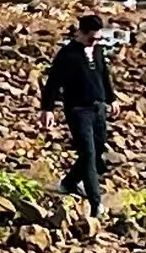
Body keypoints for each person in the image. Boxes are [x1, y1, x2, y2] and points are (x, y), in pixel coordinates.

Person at [40, 13, 119, 219]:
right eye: (91, 39)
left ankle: (68, 183)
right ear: (80, 33)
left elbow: (104, 75)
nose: (95, 42)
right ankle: (96, 203)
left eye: (98, 38)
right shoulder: (67, 55)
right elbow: (53, 83)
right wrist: (47, 110)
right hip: (77, 110)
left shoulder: (99, 50)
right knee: (89, 155)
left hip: (98, 108)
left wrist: (112, 99)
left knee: (98, 148)